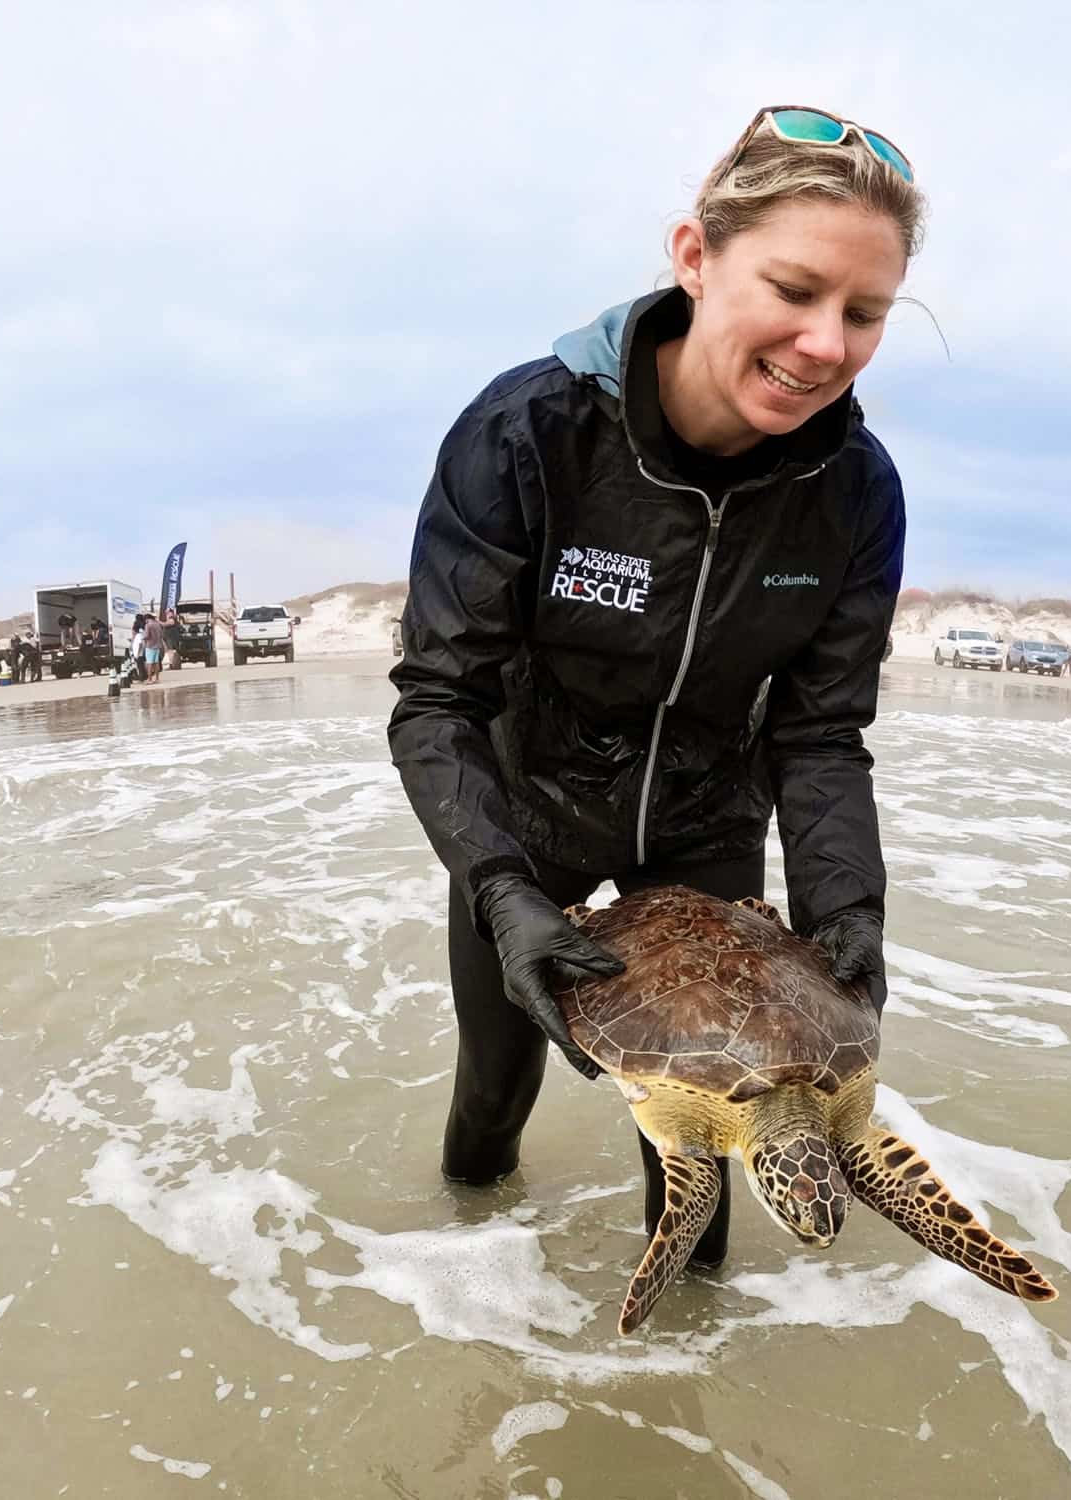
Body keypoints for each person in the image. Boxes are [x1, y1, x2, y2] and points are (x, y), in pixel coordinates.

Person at [389, 104, 916, 1268]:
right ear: (694, 258)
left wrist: (849, 910)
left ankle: (686, 1386)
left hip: (706, 826)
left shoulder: (855, 494)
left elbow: (822, 732)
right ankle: (458, 1298)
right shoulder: (529, 432)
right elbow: (439, 701)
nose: (825, 342)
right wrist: (501, 890)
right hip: (529, 822)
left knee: (707, 1165)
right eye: (793, 288)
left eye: (864, 313)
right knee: (491, 1093)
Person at [142, 611, 166, 683]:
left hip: (150, 646)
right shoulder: (158, 624)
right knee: (156, 663)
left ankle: (149, 679)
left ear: (147, 619)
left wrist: (142, 638)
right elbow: (162, 635)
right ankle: (157, 679)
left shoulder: (148, 625)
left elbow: (146, 636)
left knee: (149, 663)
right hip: (158, 645)